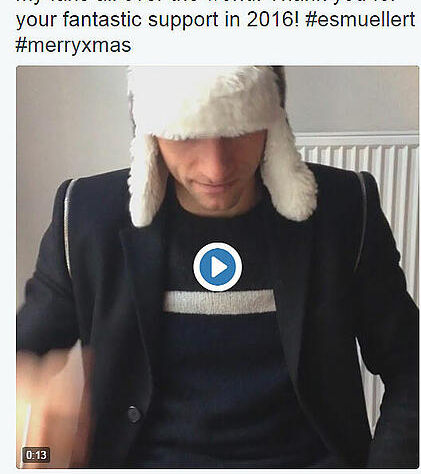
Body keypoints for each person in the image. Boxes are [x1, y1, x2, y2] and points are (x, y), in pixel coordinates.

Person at [16, 66, 418, 468]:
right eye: (188, 134)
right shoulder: (85, 216)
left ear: (272, 121)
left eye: (238, 128)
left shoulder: (347, 209)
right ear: (150, 131)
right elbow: (23, 353)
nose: (216, 169)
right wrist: (31, 447)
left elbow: (410, 365)